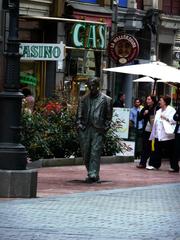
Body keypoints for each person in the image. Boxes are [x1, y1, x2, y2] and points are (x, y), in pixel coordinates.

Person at [76, 77, 113, 183]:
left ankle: (93, 173)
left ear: (98, 86)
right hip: (85, 128)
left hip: (98, 129)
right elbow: (79, 114)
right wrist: (79, 126)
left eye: (93, 86)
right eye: (89, 86)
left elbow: (108, 116)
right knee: (86, 152)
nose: (91, 88)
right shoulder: (83, 99)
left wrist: (105, 128)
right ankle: (92, 172)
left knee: (95, 151)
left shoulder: (106, 100)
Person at [147, 95, 177, 171]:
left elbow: (174, 121)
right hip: (158, 134)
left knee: (171, 152)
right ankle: (155, 165)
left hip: (168, 135)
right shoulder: (158, 111)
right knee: (156, 150)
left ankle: (174, 167)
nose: (159, 102)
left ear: (165, 102)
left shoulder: (171, 110)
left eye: (161, 100)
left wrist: (165, 118)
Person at [136, 95, 158, 168]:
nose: (147, 101)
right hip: (146, 130)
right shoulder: (145, 107)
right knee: (145, 147)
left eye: (149, 99)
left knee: (152, 147)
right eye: (147, 99)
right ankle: (142, 163)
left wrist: (149, 112)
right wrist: (144, 113)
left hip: (154, 131)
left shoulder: (156, 108)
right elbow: (139, 117)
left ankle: (153, 163)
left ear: (153, 101)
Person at [172, 104, 180, 172]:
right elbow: (175, 117)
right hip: (178, 132)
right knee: (176, 149)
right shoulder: (179, 107)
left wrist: (178, 116)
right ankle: (175, 167)